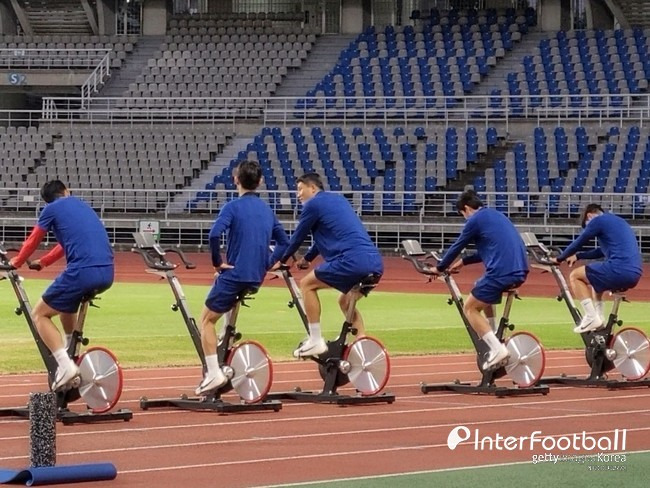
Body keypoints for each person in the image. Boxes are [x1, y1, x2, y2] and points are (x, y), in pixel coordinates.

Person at [9, 180, 114, 391]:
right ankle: (70, 352)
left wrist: (15, 263)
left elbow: (33, 240)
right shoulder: (82, 205)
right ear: (66, 191)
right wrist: (44, 262)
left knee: (39, 314)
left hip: (82, 272)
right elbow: (65, 245)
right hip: (107, 272)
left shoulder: (50, 209)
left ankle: (65, 366)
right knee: (67, 303)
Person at [196, 160, 289, 395]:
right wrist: (266, 264)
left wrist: (217, 263)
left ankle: (213, 372)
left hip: (235, 274)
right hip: (255, 277)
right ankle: (225, 340)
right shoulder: (267, 210)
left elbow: (215, 234)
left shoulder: (232, 207)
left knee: (205, 321)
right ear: (259, 182)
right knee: (222, 312)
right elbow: (284, 243)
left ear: (236, 179)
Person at [279, 172, 384, 358]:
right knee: (345, 301)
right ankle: (362, 343)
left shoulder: (312, 204)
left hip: (351, 261)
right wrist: (308, 259)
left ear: (313, 188)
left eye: (300, 189)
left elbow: (297, 238)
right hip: (374, 263)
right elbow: (328, 236)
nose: (298, 194)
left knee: (306, 284)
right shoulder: (338, 201)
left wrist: (280, 261)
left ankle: (315, 340)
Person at [428, 190, 529, 371]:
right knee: (481, 288)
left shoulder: (474, 220)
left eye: (463, 215)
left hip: (501, 271)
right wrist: (464, 262)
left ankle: (497, 348)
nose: (465, 219)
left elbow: (458, 245)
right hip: (520, 269)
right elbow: (489, 249)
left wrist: (439, 267)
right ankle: (494, 333)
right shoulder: (496, 215)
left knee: (470, 308)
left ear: (466, 209)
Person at [552, 203, 642, 334]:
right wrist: (578, 256)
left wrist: (559, 259)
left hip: (620, 269)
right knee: (596, 281)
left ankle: (591, 317)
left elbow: (580, 241)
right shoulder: (618, 221)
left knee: (575, 275)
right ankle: (599, 318)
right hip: (635, 272)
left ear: (589, 216)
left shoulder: (598, 220)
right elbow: (601, 251)